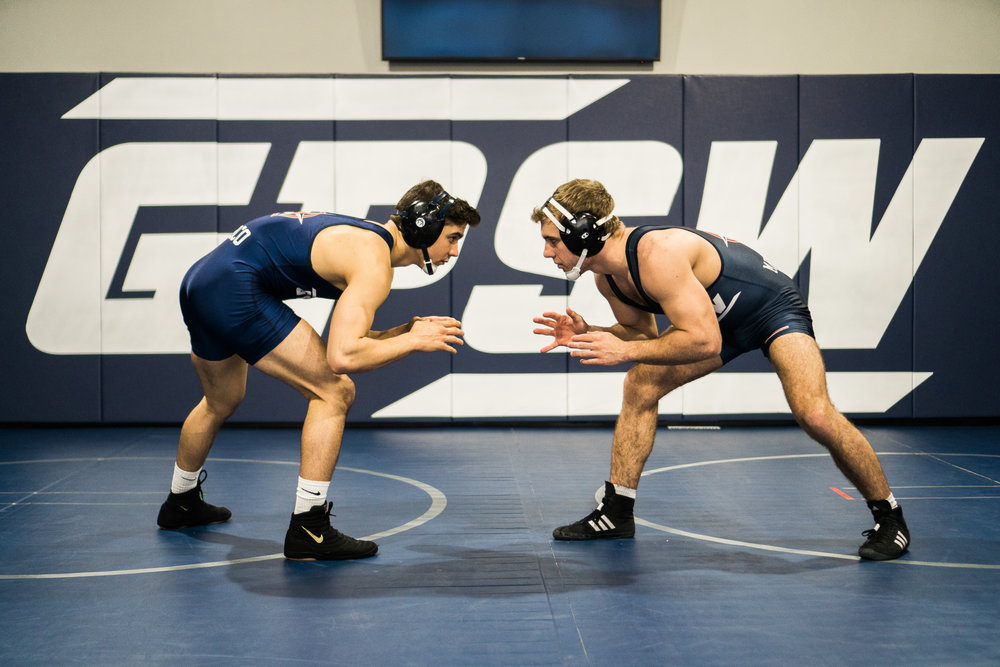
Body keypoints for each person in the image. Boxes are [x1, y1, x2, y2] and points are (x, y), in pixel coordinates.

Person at [530, 178, 910, 561]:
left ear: (582, 233)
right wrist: (590, 332)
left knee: (814, 413)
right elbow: (642, 334)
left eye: (552, 240)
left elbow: (704, 342)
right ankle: (616, 512)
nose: (547, 252)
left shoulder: (656, 255)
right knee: (641, 384)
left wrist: (625, 350)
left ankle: (890, 517)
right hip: (714, 325)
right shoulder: (607, 279)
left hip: (771, 310)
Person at [156, 180, 481, 561]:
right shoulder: (373, 261)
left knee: (221, 400)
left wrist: (403, 333)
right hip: (234, 288)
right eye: (453, 238)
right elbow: (342, 358)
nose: (454, 251)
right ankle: (309, 527)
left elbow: (349, 340)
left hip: (203, 280)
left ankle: (180, 502)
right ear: (424, 227)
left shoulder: (366, 243)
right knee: (335, 391)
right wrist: (413, 342)